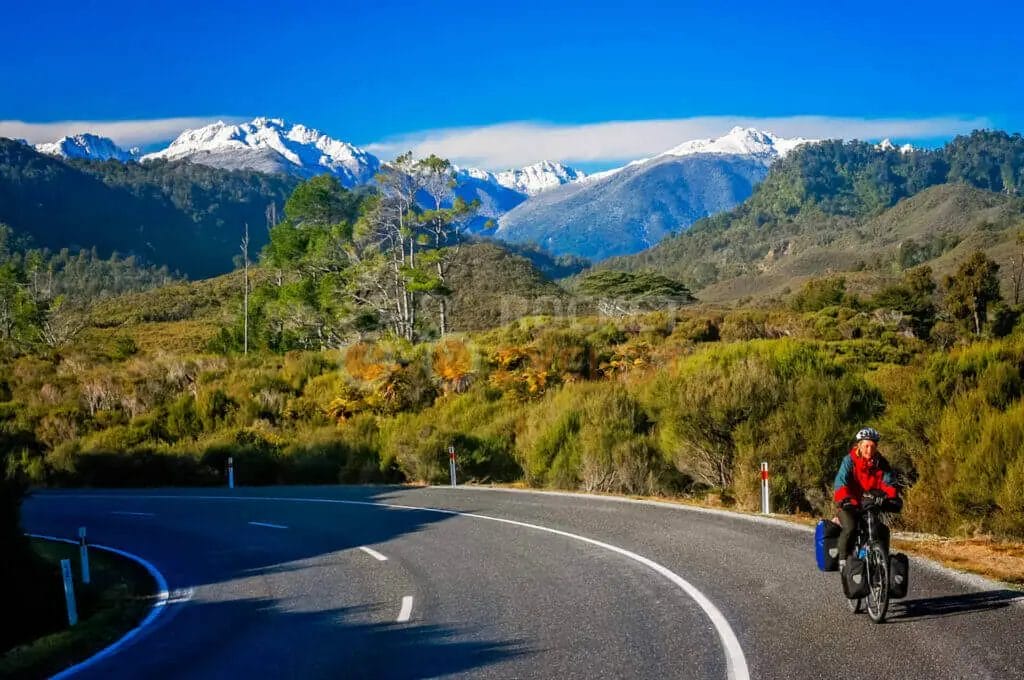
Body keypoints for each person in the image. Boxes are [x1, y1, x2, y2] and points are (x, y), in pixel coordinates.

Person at [833, 427, 900, 569]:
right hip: (848, 504)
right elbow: (841, 482)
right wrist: (845, 499)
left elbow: (889, 484)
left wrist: (889, 497)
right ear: (859, 445)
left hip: (869, 504)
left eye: (872, 446)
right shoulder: (849, 461)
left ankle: (882, 562)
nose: (869, 450)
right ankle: (843, 561)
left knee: (882, 531)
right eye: (866, 446)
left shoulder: (881, 463)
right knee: (850, 527)